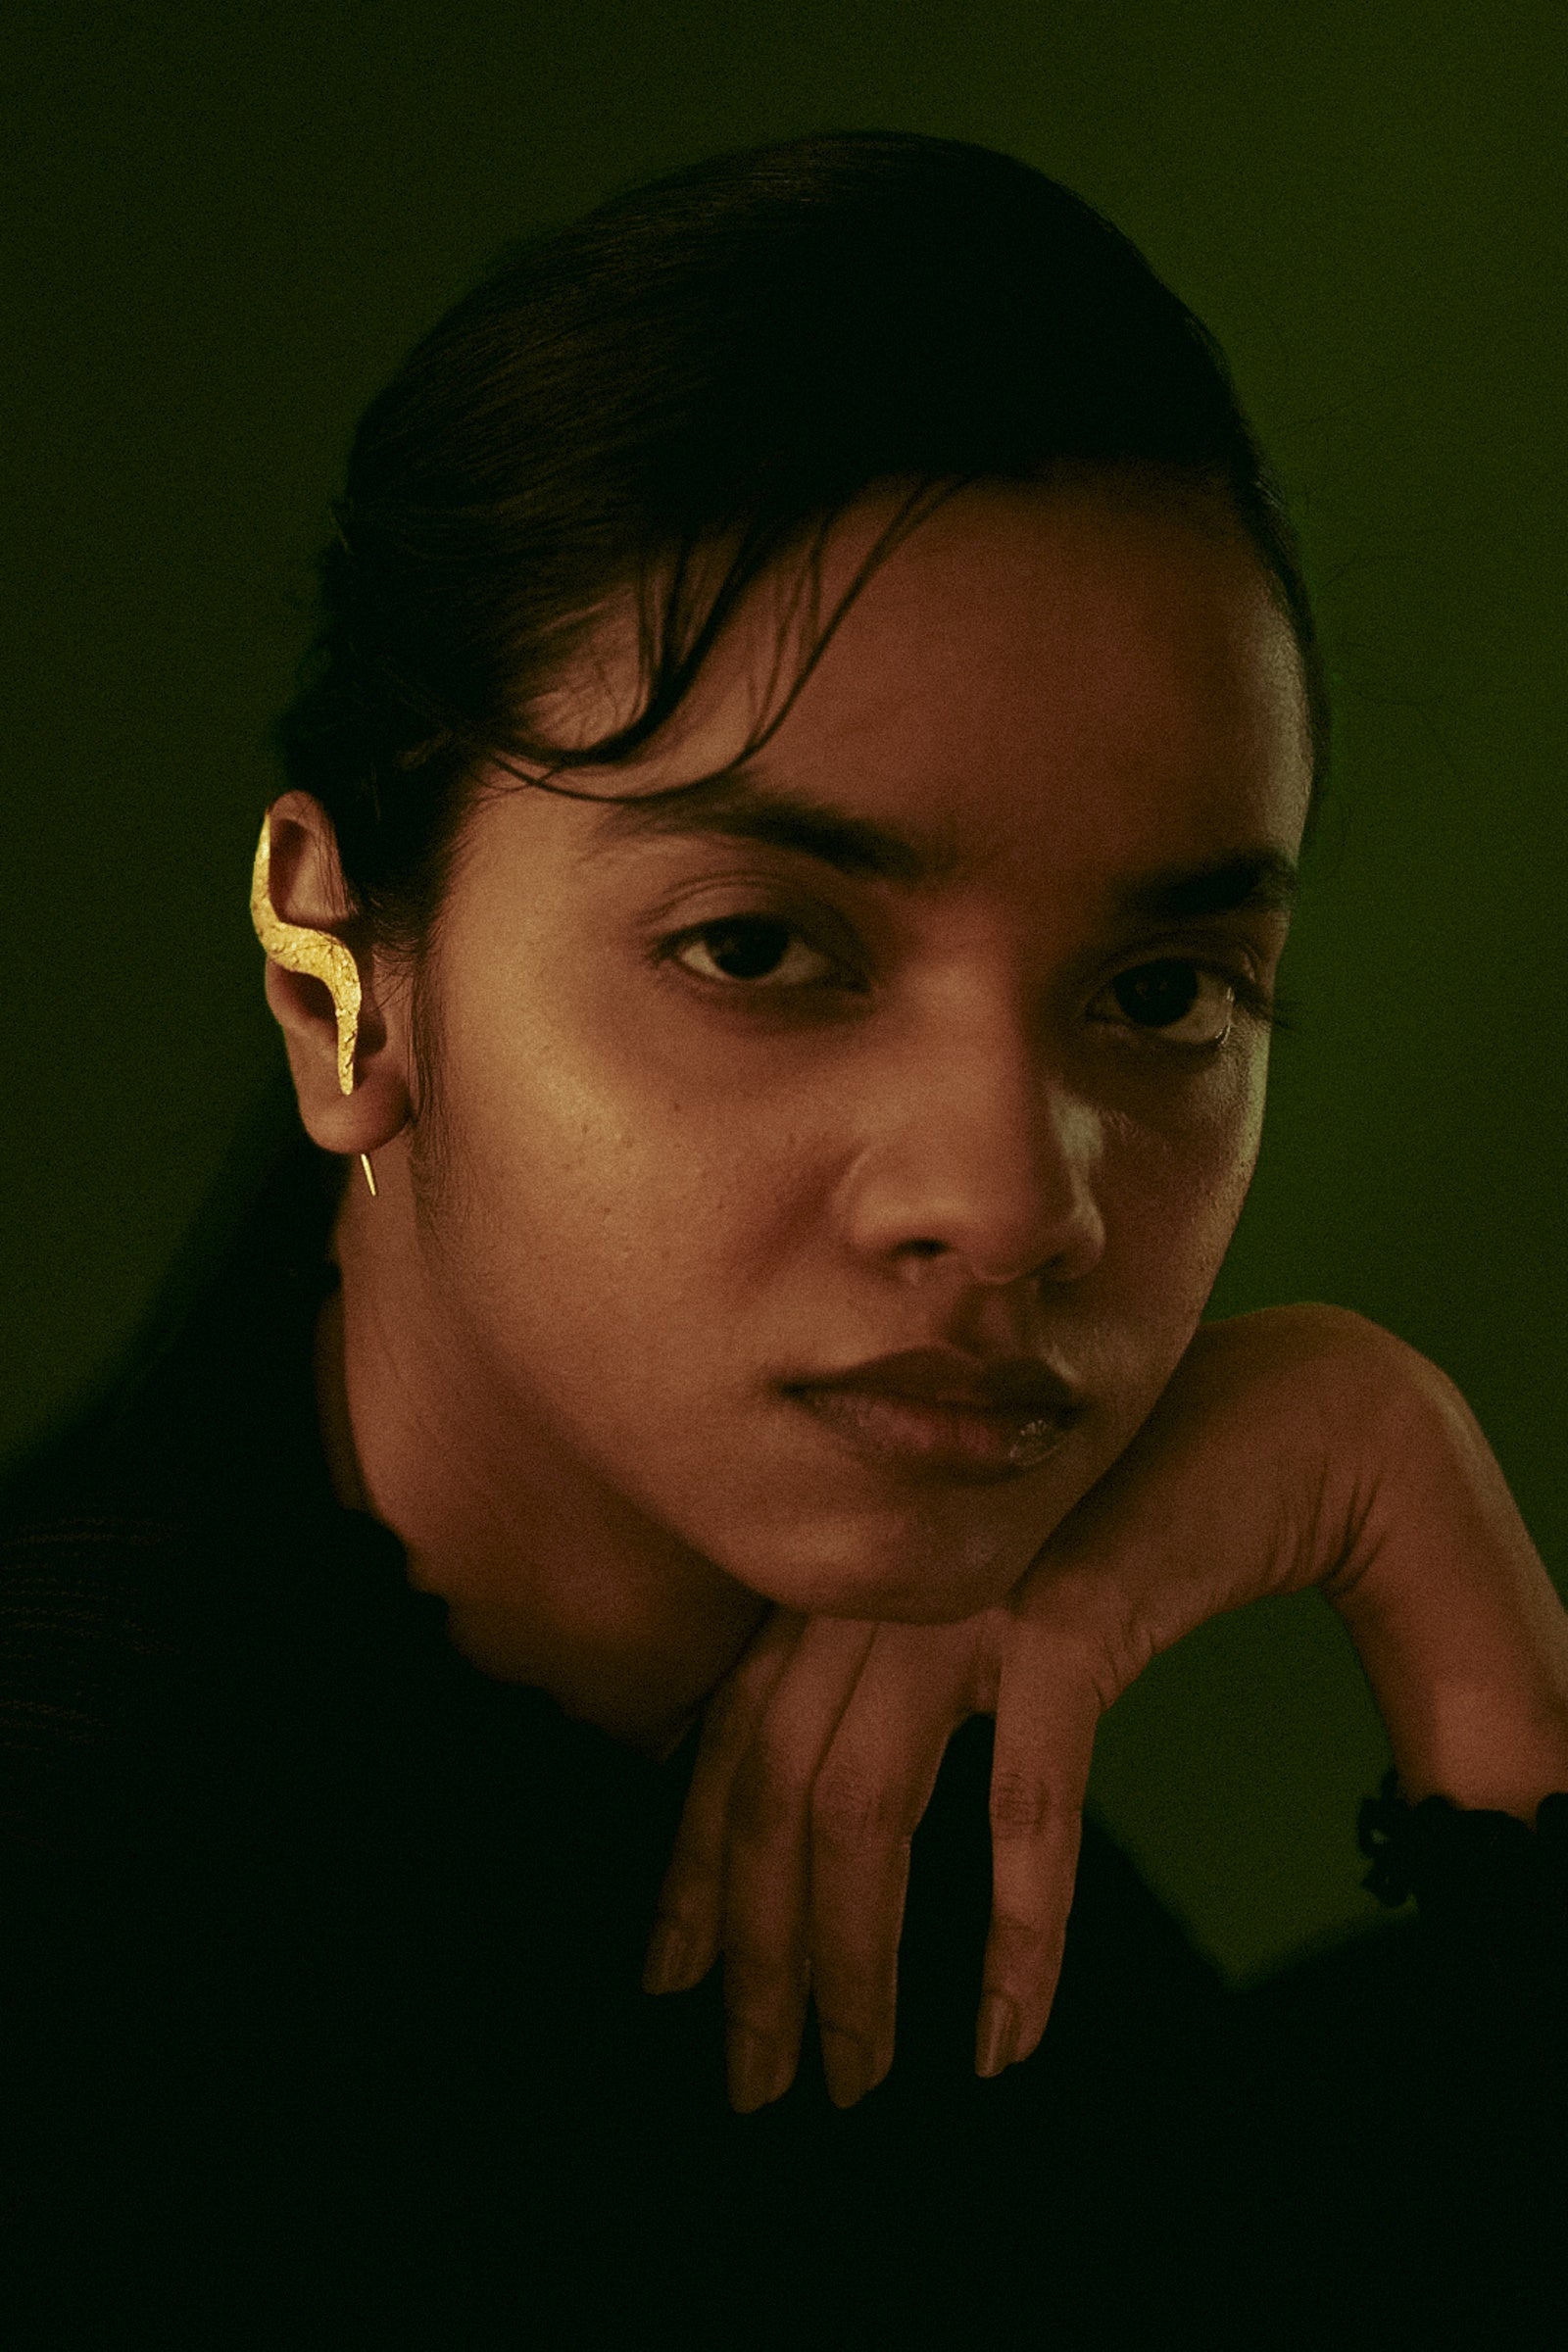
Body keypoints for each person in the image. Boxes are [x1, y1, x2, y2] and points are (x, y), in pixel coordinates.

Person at [3, 130, 1565, 2350]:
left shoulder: (924, 1886)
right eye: (756, 948)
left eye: (1161, 998)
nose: (1013, 1205)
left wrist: (1409, 1515)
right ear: (337, 982)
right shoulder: (98, 1969)